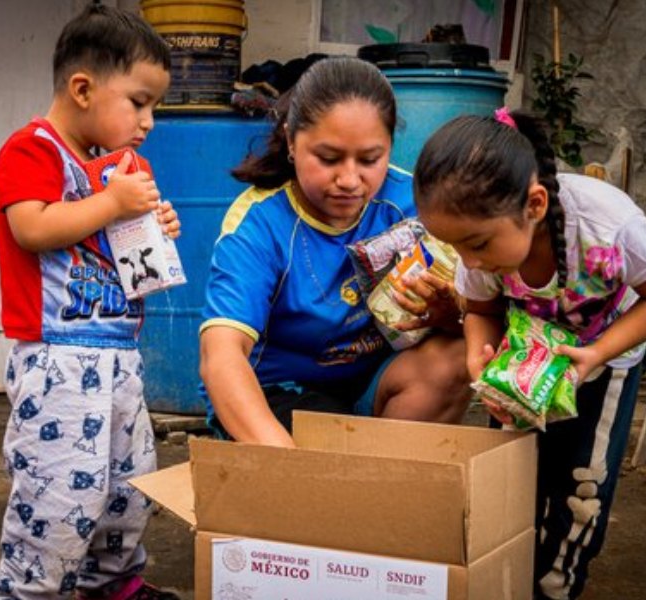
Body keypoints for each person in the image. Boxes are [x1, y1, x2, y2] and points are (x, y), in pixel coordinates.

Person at [413, 109, 646, 599]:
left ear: (534, 204)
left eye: (476, 244)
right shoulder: (478, 245)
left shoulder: (611, 226)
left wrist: (595, 353)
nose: (469, 261)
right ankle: (503, 581)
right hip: (524, 367)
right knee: (511, 481)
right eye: (455, 247)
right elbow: (480, 308)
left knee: (581, 487)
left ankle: (556, 586)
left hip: (607, 361)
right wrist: (480, 354)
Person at [0, 4, 182, 599]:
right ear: (82, 88)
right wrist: (114, 204)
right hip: (58, 362)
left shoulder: (127, 167)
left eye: (154, 106)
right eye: (139, 102)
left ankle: (113, 586)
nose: (148, 121)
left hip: (120, 358)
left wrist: (158, 225)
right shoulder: (32, 151)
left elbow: (133, 255)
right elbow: (33, 228)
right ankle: (27, 592)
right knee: (57, 499)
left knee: (128, 490)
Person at [198, 56, 472, 447]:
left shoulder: (416, 203)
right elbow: (221, 357)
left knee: (455, 355)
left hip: (373, 386)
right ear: (292, 140)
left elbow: (488, 306)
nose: (349, 180)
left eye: (369, 160)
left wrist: (453, 314)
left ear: (390, 146)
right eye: (328, 159)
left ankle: (389, 487)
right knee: (317, 463)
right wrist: (285, 462)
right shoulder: (258, 224)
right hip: (277, 396)